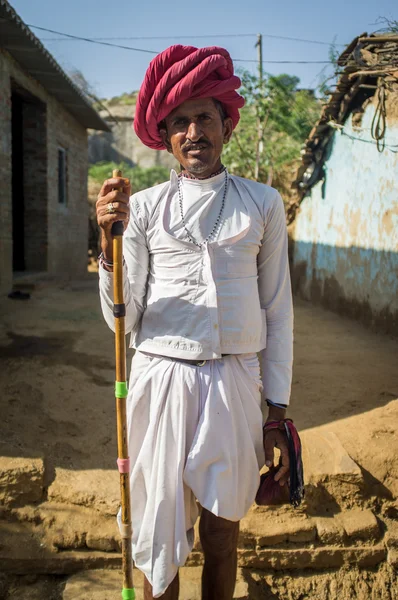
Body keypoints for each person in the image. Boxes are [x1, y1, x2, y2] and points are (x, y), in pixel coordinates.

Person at [96, 45, 293, 600]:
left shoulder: (262, 204)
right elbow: (122, 319)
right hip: (160, 380)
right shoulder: (145, 210)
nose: (193, 131)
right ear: (165, 136)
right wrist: (109, 250)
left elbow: (277, 311)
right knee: (160, 540)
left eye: (204, 116)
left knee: (223, 533)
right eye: (178, 122)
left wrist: (276, 413)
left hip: (235, 382)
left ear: (226, 124)